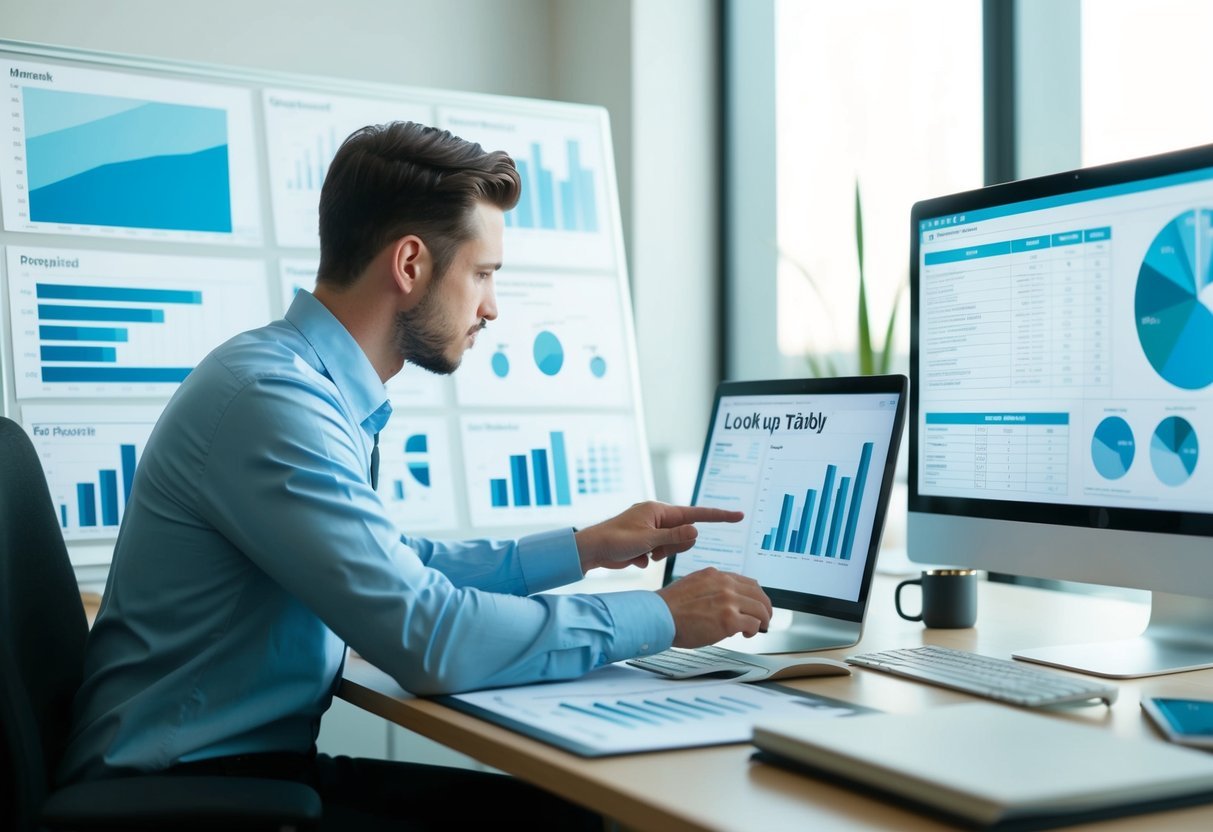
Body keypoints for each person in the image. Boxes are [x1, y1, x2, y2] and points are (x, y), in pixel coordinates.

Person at [58, 121, 773, 829]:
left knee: (570, 816)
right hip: (179, 799)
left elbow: (396, 570)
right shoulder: (271, 404)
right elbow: (430, 639)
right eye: (483, 274)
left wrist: (582, 549)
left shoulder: (297, 384)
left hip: (243, 774)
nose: (490, 307)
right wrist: (661, 616)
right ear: (409, 264)